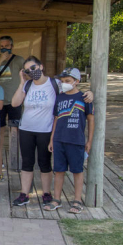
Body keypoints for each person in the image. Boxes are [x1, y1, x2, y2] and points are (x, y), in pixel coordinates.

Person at [11, 56, 93, 206]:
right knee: (27, 163)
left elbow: (73, 90)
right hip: (26, 129)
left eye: (33, 68)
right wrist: (22, 82)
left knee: (44, 163)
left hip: (46, 129)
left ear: (41, 66)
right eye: (28, 70)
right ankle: (24, 194)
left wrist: (89, 93)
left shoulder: (55, 84)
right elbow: (15, 103)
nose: (31, 72)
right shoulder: (28, 85)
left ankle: (46, 194)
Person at [46, 68, 94, 214]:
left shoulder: (84, 97)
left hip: (76, 141)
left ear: (76, 82)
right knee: (59, 170)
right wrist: (52, 139)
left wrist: (89, 141)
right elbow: (55, 119)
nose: (64, 83)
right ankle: (56, 199)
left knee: (77, 171)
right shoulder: (59, 97)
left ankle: (77, 200)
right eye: (62, 81)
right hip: (59, 140)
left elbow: (91, 120)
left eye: (68, 81)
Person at [0, 36, 25, 154]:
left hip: (14, 100)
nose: (4, 48)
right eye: (2, 46)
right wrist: (0, 60)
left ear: (12, 46)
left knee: (15, 130)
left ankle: (15, 156)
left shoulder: (19, 60)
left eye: (7, 46)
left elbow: (27, 76)